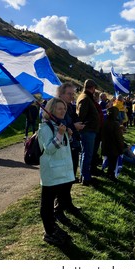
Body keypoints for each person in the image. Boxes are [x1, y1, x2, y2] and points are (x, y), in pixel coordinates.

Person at [38, 98, 74, 246]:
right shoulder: (45, 127)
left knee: (55, 201)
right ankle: (49, 232)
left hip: (62, 173)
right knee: (47, 204)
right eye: (59, 108)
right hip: (51, 173)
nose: (63, 111)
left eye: (64, 109)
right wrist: (60, 134)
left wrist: (68, 135)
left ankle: (53, 227)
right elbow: (50, 149)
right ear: (51, 110)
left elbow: (63, 149)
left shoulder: (59, 125)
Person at [55, 82, 85, 224]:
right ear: (61, 94)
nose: (72, 96)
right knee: (62, 180)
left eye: (73, 94)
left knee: (70, 178)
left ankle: (68, 204)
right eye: (69, 94)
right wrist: (74, 126)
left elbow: (73, 121)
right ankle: (58, 209)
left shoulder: (71, 108)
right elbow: (58, 126)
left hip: (73, 146)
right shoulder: (57, 108)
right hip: (63, 149)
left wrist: (78, 123)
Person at [76, 79, 100, 186]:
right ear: (92, 88)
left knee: (85, 154)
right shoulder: (85, 98)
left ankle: (84, 175)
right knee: (87, 154)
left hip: (89, 130)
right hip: (87, 131)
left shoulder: (86, 97)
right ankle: (86, 177)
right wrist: (87, 123)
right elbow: (81, 115)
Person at [101, 106, 125, 182]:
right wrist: (121, 148)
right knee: (113, 163)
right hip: (114, 147)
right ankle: (111, 176)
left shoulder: (105, 122)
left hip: (106, 145)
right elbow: (119, 138)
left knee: (109, 161)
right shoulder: (115, 124)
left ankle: (108, 174)